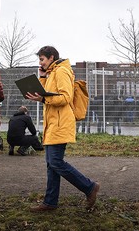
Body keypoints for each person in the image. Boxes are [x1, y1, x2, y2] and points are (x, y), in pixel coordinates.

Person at [25, 46, 100, 212]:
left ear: (51, 58)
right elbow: (48, 93)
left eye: (42, 59)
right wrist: (43, 78)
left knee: (55, 162)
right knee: (51, 165)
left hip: (60, 124)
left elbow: (65, 97)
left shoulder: (61, 71)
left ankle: (89, 187)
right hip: (53, 124)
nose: (40, 63)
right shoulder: (52, 73)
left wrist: (43, 99)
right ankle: (50, 202)